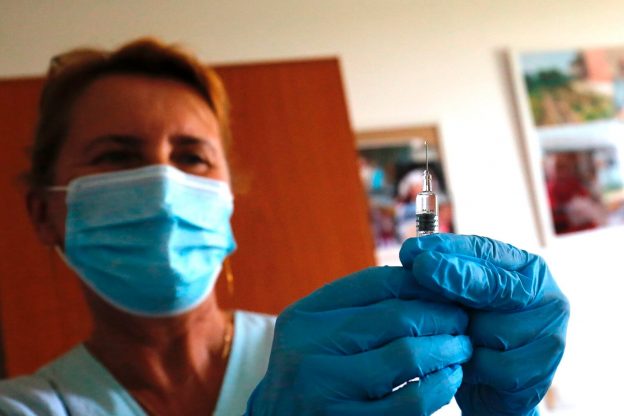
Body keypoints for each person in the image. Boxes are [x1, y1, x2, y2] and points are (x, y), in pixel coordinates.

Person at [0, 38, 569, 416]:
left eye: (192, 157)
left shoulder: (344, 355)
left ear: (226, 199)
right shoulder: (26, 407)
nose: (164, 185)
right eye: (116, 157)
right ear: (44, 211)